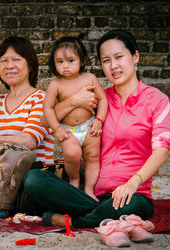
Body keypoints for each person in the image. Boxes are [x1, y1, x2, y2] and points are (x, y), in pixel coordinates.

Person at [24, 29, 170, 229]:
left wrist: (133, 183)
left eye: (119, 57)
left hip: (132, 193)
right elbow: (44, 121)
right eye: (106, 60)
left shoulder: (156, 100)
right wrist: (74, 101)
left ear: (135, 57)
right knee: (34, 179)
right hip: (91, 194)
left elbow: (161, 152)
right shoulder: (98, 97)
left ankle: (62, 218)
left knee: (134, 205)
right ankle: (100, 214)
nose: (113, 66)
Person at [43, 36, 108, 201]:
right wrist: (56, 128)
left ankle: (89, 189)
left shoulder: (90, 78)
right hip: (67, 130)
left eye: (71, 60)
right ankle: (74, 179)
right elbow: (48, 108)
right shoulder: (56, 84)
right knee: (72, 154)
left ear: (82, 60)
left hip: (89, 126)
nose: (65, 66)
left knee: (92, 156)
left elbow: (102, 100)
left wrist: (99, 119)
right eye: (60, 62)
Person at [0, 36, 54, 167]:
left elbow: (27, 142)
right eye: (4, 60)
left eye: (16, 59)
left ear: (30, 66)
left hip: (34, 174)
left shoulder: (42, 99)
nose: (9, 66)